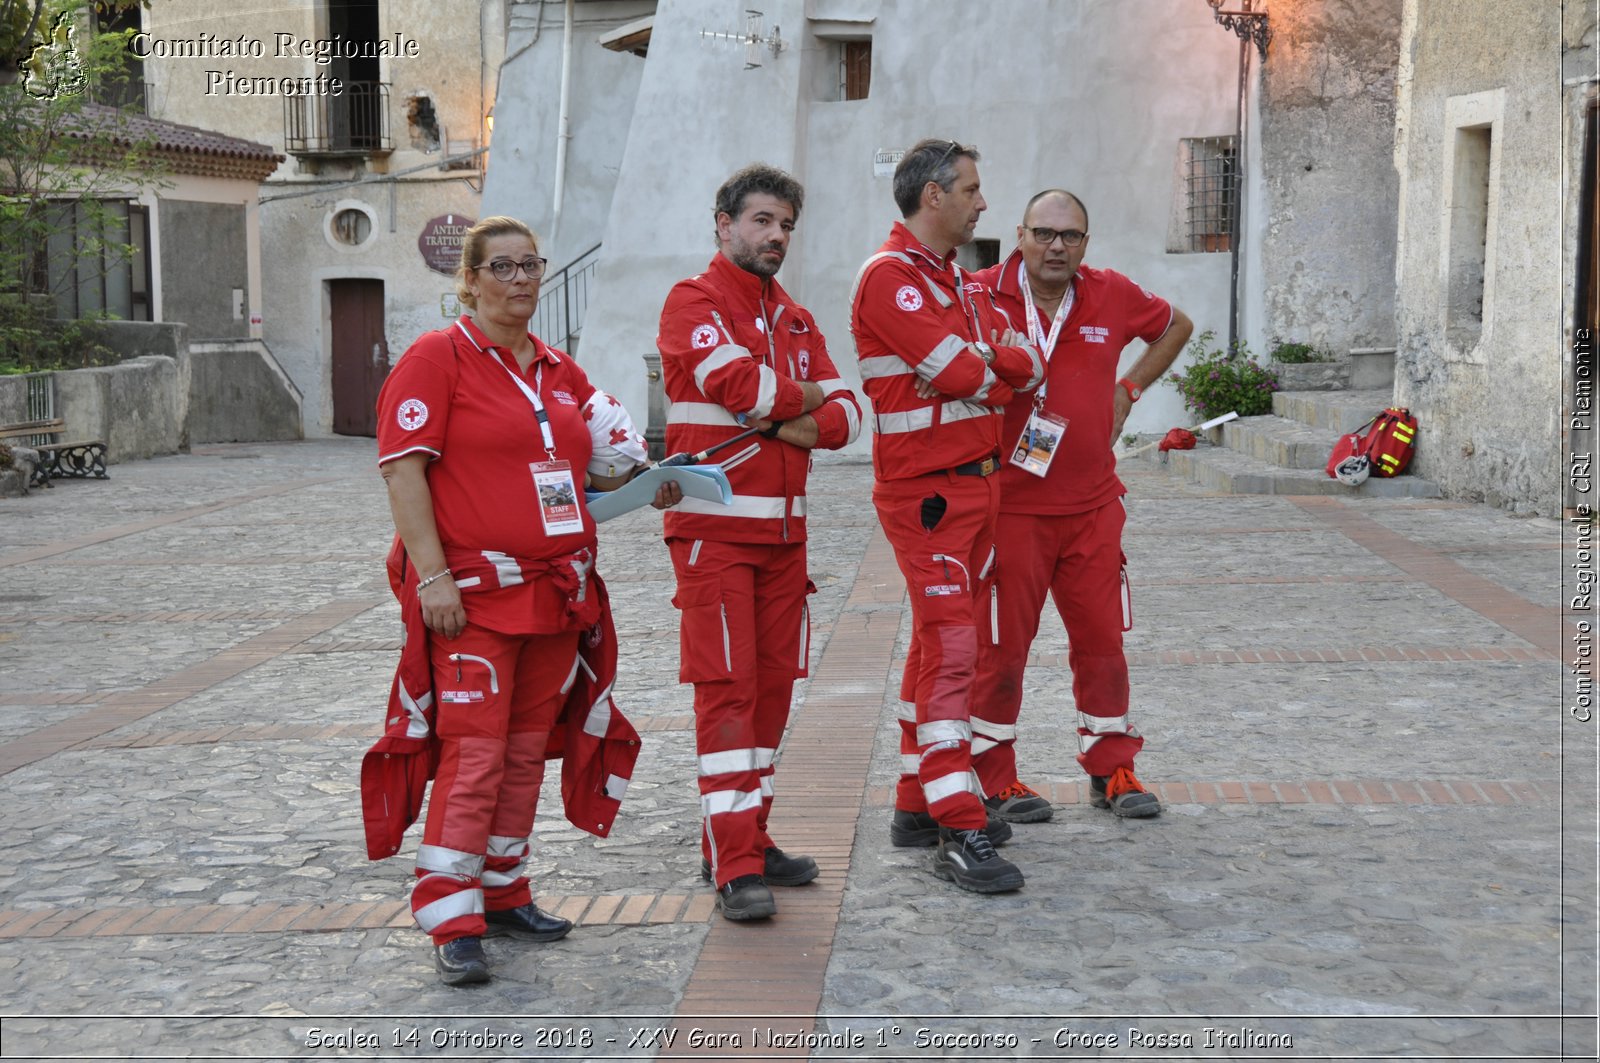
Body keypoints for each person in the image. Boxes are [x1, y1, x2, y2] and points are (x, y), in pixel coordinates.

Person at [370, 215, 679, 986]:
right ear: (468, 280)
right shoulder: (435, 358)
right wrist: (433, 578)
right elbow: (403, 472)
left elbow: (593, 468)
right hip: (473, 596)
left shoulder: (556, 367)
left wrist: (648, 484)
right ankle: (450, 911)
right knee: (474, 751)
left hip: (554, 594)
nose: (519, 280)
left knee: (521, 750)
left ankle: (504, 888)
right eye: (501, 267)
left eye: (530, 266)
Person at [657, 164, 861, 921]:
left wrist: (784, 408)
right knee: (729, 696)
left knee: (772, 695)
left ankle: (747, 832)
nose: (776, 236)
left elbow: (848, 419)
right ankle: (735, 861)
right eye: (763, 221)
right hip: (714, 539)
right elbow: (738, 385)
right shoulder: (693, 301)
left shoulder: (800, 320)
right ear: (725, 223)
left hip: (785, 541)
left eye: (786, 227)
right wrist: (795, 400)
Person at [848, 139, 1043, 894]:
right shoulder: (890, 279)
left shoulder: (951, 281)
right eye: (971, 189)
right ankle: (958, 816)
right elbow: (975, 371)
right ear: (934, 196)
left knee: (939, 643)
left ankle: (915, 801)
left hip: (975, 483)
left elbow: (1021, 365)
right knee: (956, 647)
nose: (983, 201)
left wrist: (990, 363)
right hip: (927, 491)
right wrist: (990, 363)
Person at [970, 189, 1193, 823]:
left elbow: (1176, 325)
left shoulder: (1111, 291)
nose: (1056, 246)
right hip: (1010, 508)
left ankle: (1111, 766)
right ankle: (993, 774)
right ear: (1020, 235)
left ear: (1086, 244)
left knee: (1101, 641)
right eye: (1044, 233)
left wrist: (1130, 387)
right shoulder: (983, 293)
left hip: (1094, 504)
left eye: (1070, 236)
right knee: (1001, 647)